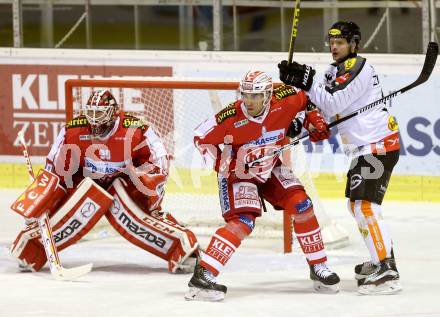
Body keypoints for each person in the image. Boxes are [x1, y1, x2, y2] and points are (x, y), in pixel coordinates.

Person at [185, 70, 340, 302]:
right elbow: (200, 138)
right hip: (238, 174)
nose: (249, 101)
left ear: (268, 95)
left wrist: (314, 122)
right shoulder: (229, 117)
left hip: (271, 166)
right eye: (245, 95)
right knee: (243, 222)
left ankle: (319, 267)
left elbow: (308, 102)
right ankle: (203, 274)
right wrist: (229, 163)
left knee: (302, 205)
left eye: (255, 96)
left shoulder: (285, 99)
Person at [10, 89, 199, 274]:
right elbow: (54, 169)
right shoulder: (73, 130)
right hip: (85, 184)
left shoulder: (136, 128)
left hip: (124, 185)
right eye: (90, 113)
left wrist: (146, 186)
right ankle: (31, 247)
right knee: (83, 199)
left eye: (99, 113)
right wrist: (41, 199)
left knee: (130, 208)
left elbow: (159, 163)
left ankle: (181, 247)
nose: (94, 119)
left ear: (112, 113)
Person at [278, 21, 401, 295]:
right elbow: (319, 104)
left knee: (365, 207)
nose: (334, 47)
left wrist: (306, 78)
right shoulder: (333, 71)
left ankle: (387, 271)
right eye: (332, 42)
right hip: (365, 147)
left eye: (341, 42)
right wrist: (297, 94)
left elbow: (333, 103)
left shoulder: (360, 67)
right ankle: (381, 259)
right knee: (357, 205)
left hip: (378, 144)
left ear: (354, 44)